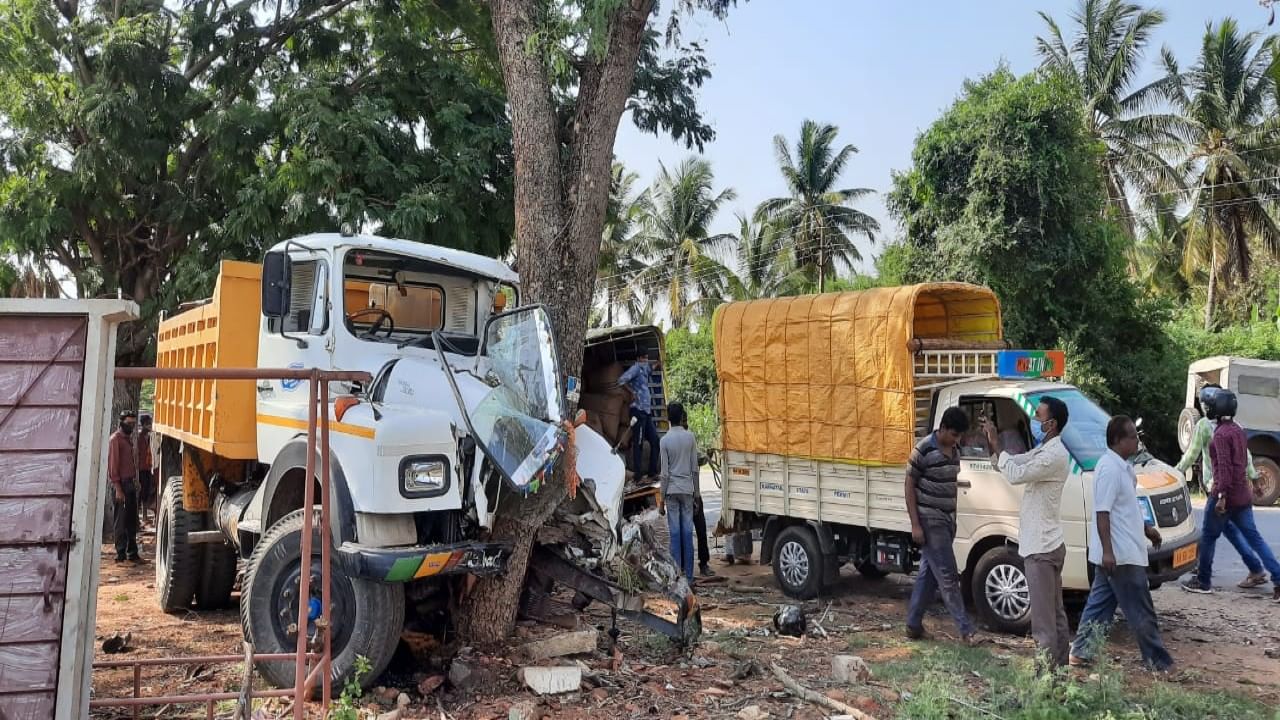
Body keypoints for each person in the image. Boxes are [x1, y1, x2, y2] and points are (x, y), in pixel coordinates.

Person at [1069, 416, 1174, 671]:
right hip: (1120, 554)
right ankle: (1157, 661)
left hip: (1121, 551)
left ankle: (1081, 651)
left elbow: (1125, 509)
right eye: (1131, 437)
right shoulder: (1109, 469)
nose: (1136, 441)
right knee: (1141, 609)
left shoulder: (1123, 468)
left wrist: (1147, 529)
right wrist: (1108, 551)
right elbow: (1102, 512)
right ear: (1117, 440)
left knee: (1099, 607)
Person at [984, 396, 1071, 669]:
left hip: (1042, 549)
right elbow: (1016, 461)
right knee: (1055, 618)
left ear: (1051, 424)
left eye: (1038, 416)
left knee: (1044, 625)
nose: (1034, 419)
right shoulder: (1046, 450)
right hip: (1048, 543)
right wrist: (995, 446)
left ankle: (1044, 685)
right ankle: (1058, 678)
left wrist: (997, 445)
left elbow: (1016, 474)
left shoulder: (1053, 456)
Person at [1182, 389, 1280, 601]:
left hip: (1225, 496)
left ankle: (1203, 581)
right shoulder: (1238, 430)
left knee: (1208, 537)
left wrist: (1221, 497)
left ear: (1215, 409)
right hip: (1243, 496)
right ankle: (1278, 580)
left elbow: (1224, 470)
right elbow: (1244, 461)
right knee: (1255, 539)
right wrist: (1254, 482)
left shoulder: (1220, 435)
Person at [904, 406, 980, 644]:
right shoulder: (923, 449)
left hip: (947, 519)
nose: (956, 440)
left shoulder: (954, 449)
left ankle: (913, 625)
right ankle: (966, 630)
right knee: (948, 576)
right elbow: (908, 486)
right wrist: (915, 524)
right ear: (943, 428)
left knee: (928, 575)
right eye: (954, 435)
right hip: (930, 519)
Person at [659, 402, 700, 583]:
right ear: (682, 416)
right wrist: (696, 494)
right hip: (687, 490)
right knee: (686, 534)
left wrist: (661, 499)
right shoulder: (690, 437)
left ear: (668, 418)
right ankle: (689, 578)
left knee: (674, 534)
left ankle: (676, 579)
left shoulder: (664, 441)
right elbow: (695, 469)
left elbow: (665, 474)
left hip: (672, 491)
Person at [107, 411, 143, 564]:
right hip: (121, 484)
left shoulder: (128, 439)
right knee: (120, 520)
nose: (131, 427)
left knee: (131, 520)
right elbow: (113, 466)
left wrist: (136, 481)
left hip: (130, 483)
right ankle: (120, 553)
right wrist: (118, 488)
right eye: (129, 423)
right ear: (121, 422)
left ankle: (132, 552)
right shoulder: (115, 439)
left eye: (133, 424)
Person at [618, 351, 660, 480]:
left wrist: (657, 363)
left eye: (647, 358)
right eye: (644, 358)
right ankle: (638, 475)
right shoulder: (635, 369)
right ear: (639, 358)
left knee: (655, 441)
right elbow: (621, 380)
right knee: (639, 443)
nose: (646, 360)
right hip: (638, 411)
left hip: (646, 412)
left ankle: (652, 472)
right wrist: (632, 392)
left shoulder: (644, 368)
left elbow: (650, 369)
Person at [137, 413, 155, 527]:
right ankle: (141, 517)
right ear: (143, 425)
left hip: (148, 468)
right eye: (148, 424)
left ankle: (144, 517)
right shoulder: (138, 438)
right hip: (140, 469)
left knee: (146, 492)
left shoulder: (149, 438)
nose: (150, 426)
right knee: (141, 492)